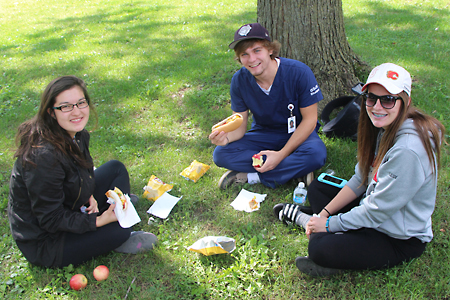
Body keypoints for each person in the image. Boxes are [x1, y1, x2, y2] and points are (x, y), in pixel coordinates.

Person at [274, 63, 445, 276]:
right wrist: (326, 215)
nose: (377, 107)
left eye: (388, 99)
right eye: (371, 98)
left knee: (319, 248)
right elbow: (360, 179)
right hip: (374, 209)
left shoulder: (408, 150)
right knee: (318, 187)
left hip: (397, 237)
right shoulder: (384, 127)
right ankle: (315, 220)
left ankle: (307, 221)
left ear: (406, 102)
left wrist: (328, 225)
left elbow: (376, 211)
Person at [8, 76, 157, 268]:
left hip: (68, 204)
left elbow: (83, 168)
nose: (76, 112)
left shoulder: (77, 134)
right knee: (119, 230)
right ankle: (116, 234)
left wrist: (88, 194)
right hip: (48, 241)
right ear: (51, 112)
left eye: (81, 103)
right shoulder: (43, 157)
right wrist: (99, 220)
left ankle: (115, 210)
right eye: (66, 106)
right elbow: (50, 219)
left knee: (115, 168)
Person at [209, 23, 327, 189]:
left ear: (270, 50)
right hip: (263, 134)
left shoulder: (299, 72)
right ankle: (295, 171)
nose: (252, 59)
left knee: (316, 154)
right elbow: (240, 125)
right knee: (221, 154)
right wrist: (225, 137)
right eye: (244, 54)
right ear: (239, 58)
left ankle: (253, 176)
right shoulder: (239, 80)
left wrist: (280, 155)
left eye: (257, 50)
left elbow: (310, 120)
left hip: (298, 132)